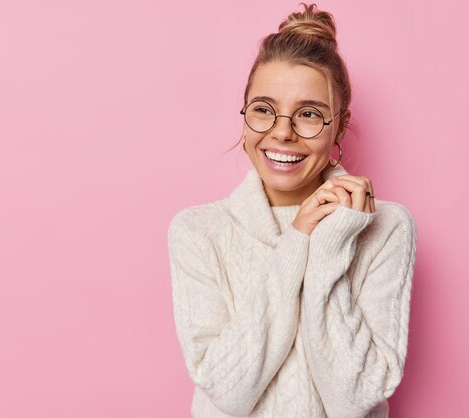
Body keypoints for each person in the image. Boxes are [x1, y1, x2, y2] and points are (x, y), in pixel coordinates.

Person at [166, 3, 417, 418]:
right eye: (263, 109)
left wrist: (330, 243)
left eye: (309, 115)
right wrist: (297, 240)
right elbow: (229, 392)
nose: (282, 131)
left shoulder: (387, 228)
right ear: (245, 115)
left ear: (339, 125)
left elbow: (354, 398)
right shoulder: (198, 231)